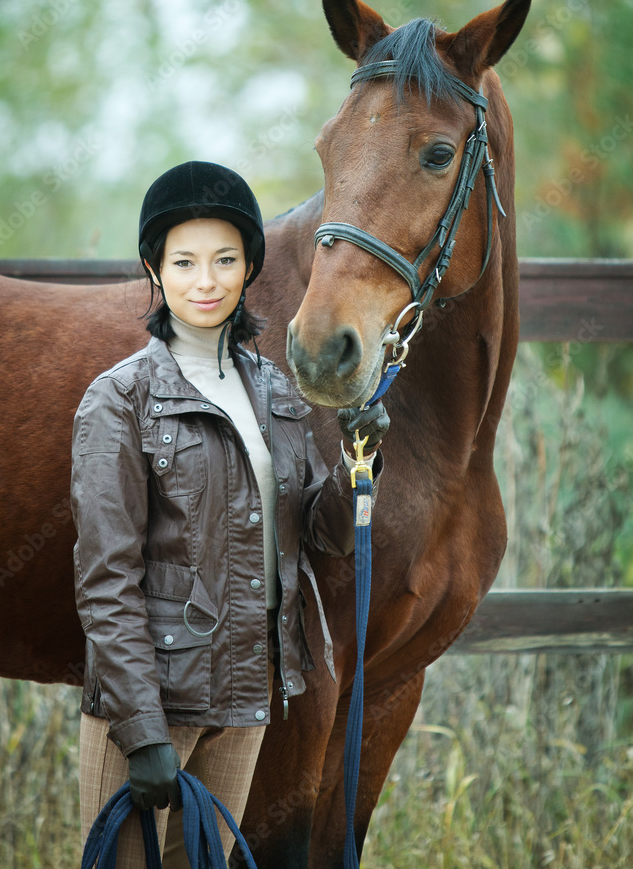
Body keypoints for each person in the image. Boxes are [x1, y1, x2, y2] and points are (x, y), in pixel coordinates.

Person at [71, 160, 389, 868]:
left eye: (224, 260)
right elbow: (105, 577)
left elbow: (320, 534)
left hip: (246, 694)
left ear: (249, 269)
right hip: (152, 703)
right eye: (183, 262)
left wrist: (357, 461)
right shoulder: (117, 400)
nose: (205, 281)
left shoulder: (274, 389)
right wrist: (142, 728)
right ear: (154, 270)